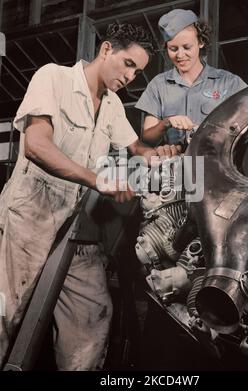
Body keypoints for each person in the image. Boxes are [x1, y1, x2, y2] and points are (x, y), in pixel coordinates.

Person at [0, 23, 180, 371]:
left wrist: (165, 153)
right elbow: (36, 146)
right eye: (128, 64)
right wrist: (99, 180)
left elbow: (137, 148)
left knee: (91, 314)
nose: (131, 76)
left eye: (138, 72)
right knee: (5, 314)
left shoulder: (111, 104)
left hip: (73, 227)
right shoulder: (53, 78)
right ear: (107, 49)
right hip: (29, 216)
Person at [135, 9, 248, 146]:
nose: (180, 55)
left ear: (201, 42)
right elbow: (147, 138)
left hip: (217, 163)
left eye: (187, 47)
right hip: (176, 163)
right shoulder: (158, 85)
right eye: (173, 49)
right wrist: (166, 123)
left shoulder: (229, 83)